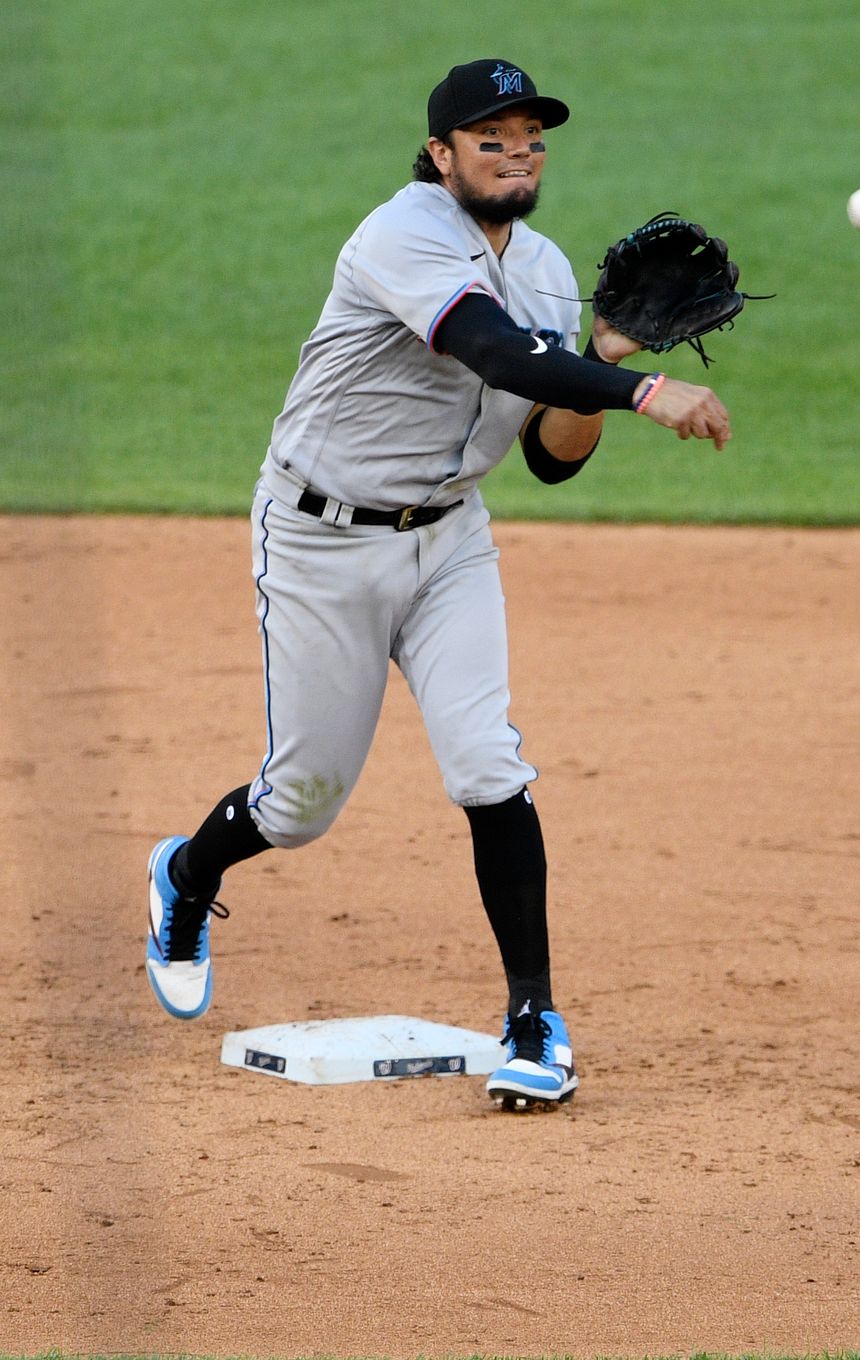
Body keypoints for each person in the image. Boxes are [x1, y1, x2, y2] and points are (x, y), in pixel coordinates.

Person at [142, 58, 732, 1111]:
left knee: (487, 763)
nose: (517, 157)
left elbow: (552, 453)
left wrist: (598, 354)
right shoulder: (400, 237)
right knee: (299, 804)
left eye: (532, 141)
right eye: (492, 140)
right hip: (322, 540)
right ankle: (188, 876)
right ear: (441, 153)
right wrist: (643, 386)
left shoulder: (548, 270)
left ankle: (534, 1020)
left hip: (450, 542)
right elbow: (494, 353)